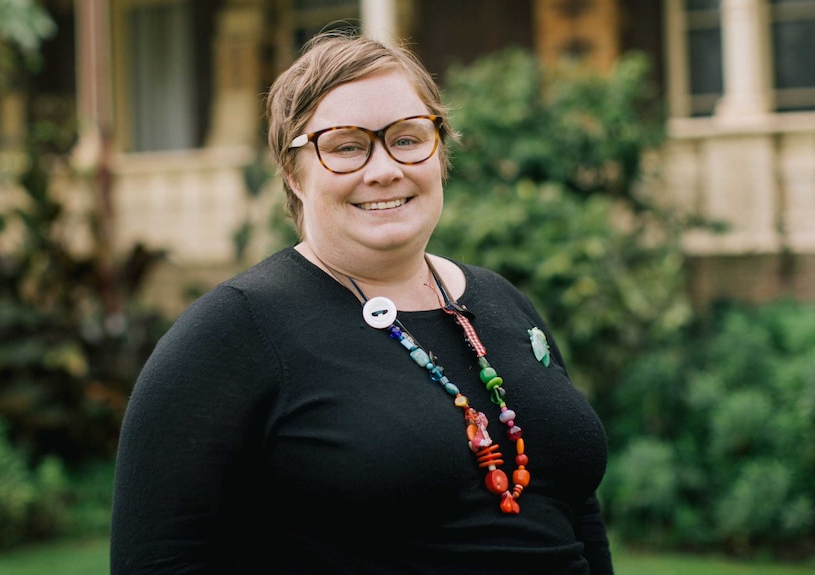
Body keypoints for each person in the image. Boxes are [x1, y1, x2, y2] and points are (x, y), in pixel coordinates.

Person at [110, 30, 614, 575]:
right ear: (292, 172)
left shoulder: (501, 302)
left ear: (439, 149)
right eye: (347, 146)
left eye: (407, 137)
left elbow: (576, 515)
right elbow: (159, 560)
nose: (384, 169)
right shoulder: (233, 332)